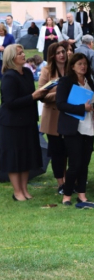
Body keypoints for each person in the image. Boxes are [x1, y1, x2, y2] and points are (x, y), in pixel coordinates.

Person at [0, 44, 47, 201]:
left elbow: (30, 94)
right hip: (12, 124)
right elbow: (10, 102)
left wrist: (43, 93)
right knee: (15, 158)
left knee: (27, 155)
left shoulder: (27, 72)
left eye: (23, 52)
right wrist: (33, 97)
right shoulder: (8, 77)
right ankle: (17, 191)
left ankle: (25, 189)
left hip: (28, 121)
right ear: (12, 57)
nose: (23, 55)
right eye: (20, 53)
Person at [56, 53, 94, 206]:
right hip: (73, 128)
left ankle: (82, 194)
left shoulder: (90, 81)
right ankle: (67, 195)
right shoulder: (66, 81)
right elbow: (60, 104)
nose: (83, 66)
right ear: (73, 66)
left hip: (88, 126)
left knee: (85, 163)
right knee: (75, 164)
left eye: (85, 64)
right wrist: (82, 108)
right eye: (80, 63)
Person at [39, 43, 68, 194]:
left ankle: (70, 180)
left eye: (63, 51)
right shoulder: (47, 71)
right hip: (53, 117)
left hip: (70, 116)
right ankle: (60, 183)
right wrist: (60, 96)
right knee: (58, 152)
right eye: (58, 53)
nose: (62, 55)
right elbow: (41, 94)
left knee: (70, 150)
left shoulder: (71, 69)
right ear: (52, 56)